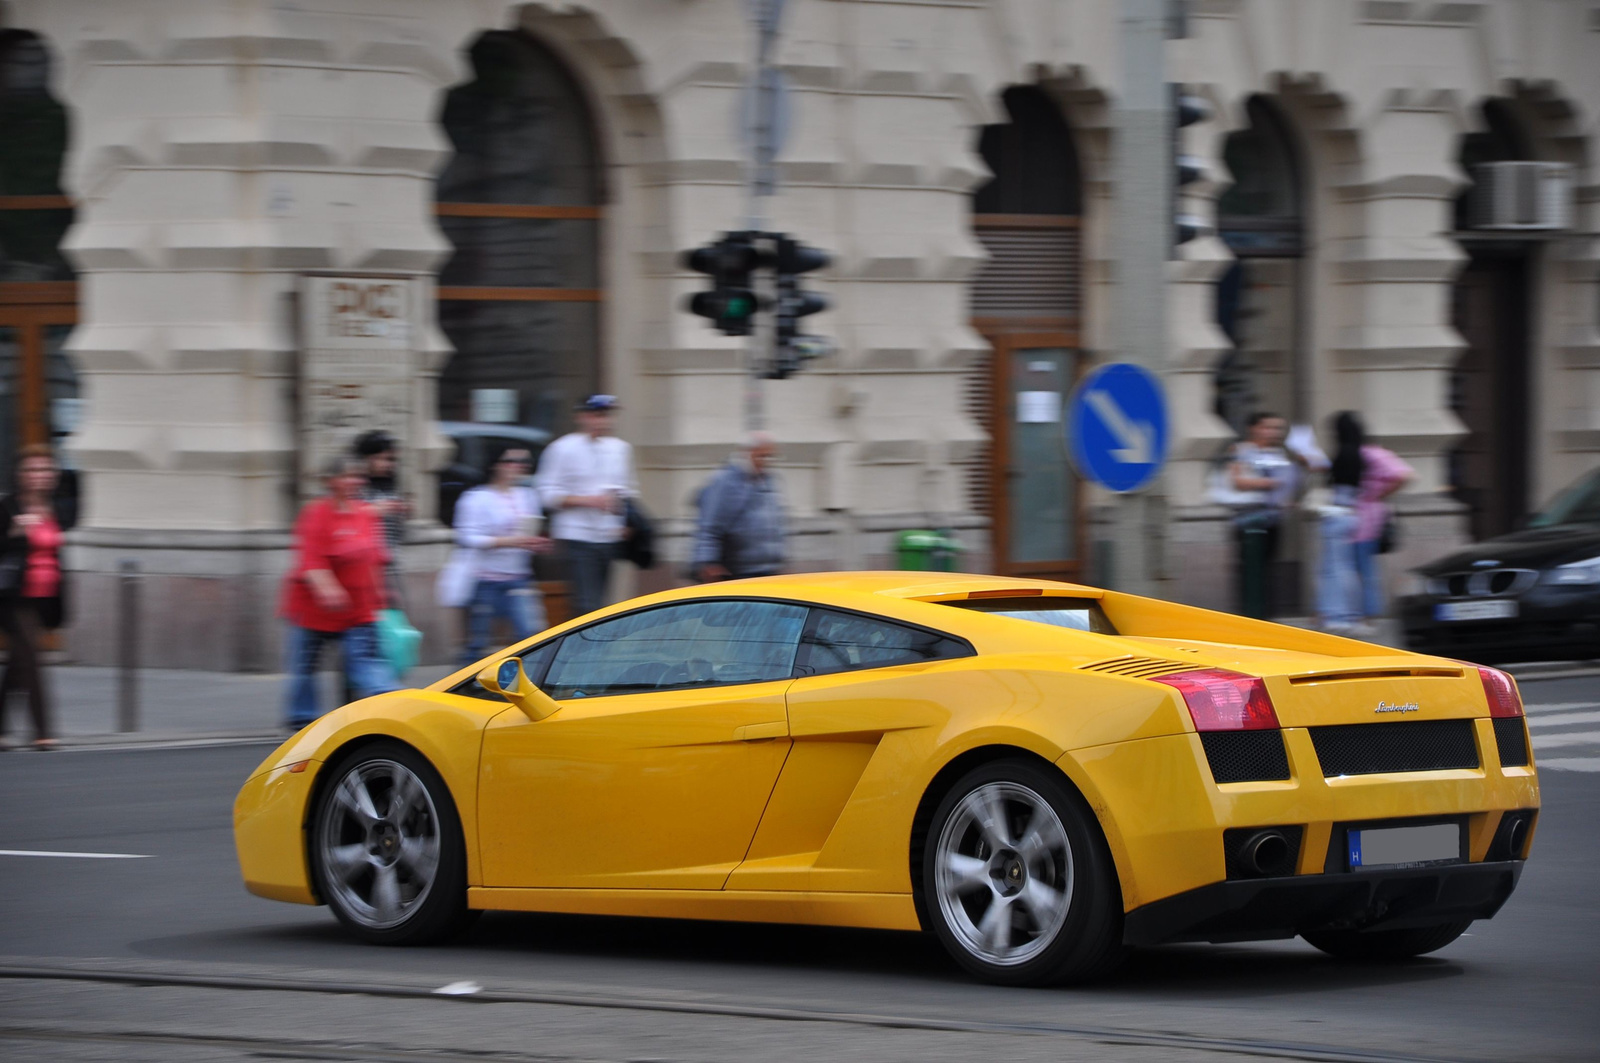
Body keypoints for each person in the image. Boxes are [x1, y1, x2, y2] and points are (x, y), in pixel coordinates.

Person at [281, 455, 399, 729]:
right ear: (331, 481)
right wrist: (328, 588)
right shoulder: (316, 513)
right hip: (313, 609)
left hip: (357, 610)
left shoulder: (364, 513)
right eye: (347, 476)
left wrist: (384, 594)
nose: (354, 481)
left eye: (357, 476)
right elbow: (311, 560)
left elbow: (376, 557)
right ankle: (301, 721)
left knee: (366, 662)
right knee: (304, 667)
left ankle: (390, 706)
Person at [536, 394, 637, 617]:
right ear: (581, 417)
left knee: (601, 603)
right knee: (586, 604)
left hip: (609, 536)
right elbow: (546, 494)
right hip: (577, 536)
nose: (603, 421)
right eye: (597, 415)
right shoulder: (562, 448)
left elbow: (628, 490)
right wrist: (588, 501)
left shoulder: (620, 449)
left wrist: (627, 520)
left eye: (607, 415)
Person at [0, 444, 72, 751]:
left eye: (44, 469)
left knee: (19, 662)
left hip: (45, 596)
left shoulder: (57, 509)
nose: (38, 476)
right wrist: (13, 535)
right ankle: (42, 731)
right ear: (20, 475)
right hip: (12, 596)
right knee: (32, 658)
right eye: (31, 469)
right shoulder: (8, 508)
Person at [454, 444, 550, 661]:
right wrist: (509, 541)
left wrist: (536, 543)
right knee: (478, 642)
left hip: (519, 579)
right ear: (495, 465)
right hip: (486, 579)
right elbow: (468, 537)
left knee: (529, 636)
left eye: (523, 462)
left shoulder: (528, 496)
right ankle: (458, 688)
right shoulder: (476, 498)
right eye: (511, 461)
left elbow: (529, 532)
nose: (518, 467)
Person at [1227, 412, 1300, 618]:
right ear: (1254, 428)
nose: (1273, 432)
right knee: (1250, 573)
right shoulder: (1241, 451)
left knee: (1270, 569)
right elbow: (1237, 481)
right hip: (1248, 522)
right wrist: (1269, 483)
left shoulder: (1278, 455)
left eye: (1277, 428)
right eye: (1268, 427)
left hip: (1274, 520)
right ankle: (1250, 617)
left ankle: (1267, 618)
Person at [691, 432, 787, 581]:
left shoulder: (768, 481)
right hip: (738, 572)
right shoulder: (727, 482)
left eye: (769, 456)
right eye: (761, 456)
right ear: (747, 454)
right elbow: (710, 526)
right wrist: (708, 562)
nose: (766, 461)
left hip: (768, 571)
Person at [1351, 414, 1413, 624]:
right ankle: (1367, 612)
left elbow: (1403, 475)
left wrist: (1379, 494)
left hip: (1366, 519)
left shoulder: (1368, 453)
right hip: (1366, 517)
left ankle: (1368, 612)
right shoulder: (1370, 452)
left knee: (1363, 566)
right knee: (1362, 566)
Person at [1315, 412, 1366, 633]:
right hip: (1350, 513)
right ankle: (1347, 614)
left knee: (1334, 569)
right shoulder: (1358, 453)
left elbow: (1332, 483)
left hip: (1336, 513)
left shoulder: (1343, 454)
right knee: (1342, 567)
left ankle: (1339, 615)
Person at [353, 430, 409, 607]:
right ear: (366, 458)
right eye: (382, 458)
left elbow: (397, 534)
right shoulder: (353, 484)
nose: (388, 465)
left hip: (388, 566)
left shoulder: (391, 486)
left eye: (391, 460)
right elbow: (342, 518)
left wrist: (403, 511)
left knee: (393, 620)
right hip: (358, 568)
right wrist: (373, 510)